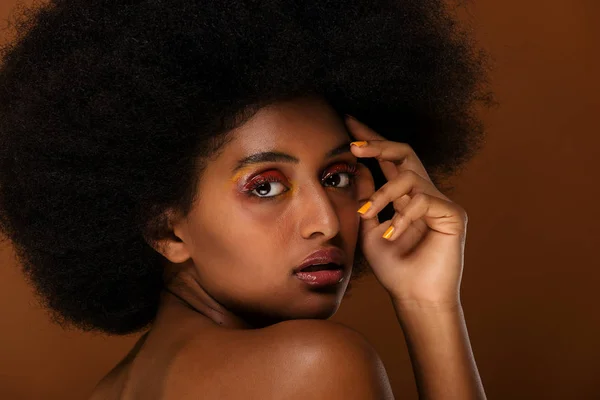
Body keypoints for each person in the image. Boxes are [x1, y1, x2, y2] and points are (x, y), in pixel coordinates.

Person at [0, 0, 492, 398]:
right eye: (265, 187)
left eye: (338, 176)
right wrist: (430, 310)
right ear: (167, 231)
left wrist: (424, 296)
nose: (324, 221)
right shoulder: (310, 366)